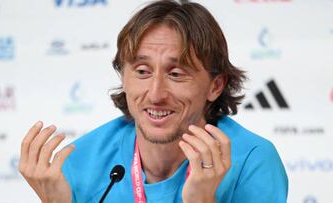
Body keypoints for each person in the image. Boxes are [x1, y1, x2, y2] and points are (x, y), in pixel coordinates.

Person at [19, 0, 288, 202]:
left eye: (176, 73)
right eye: (142, 72)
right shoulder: (78, 162)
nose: (156, 94)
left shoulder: (253, 161)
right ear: (123, 78)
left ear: (215, 85)